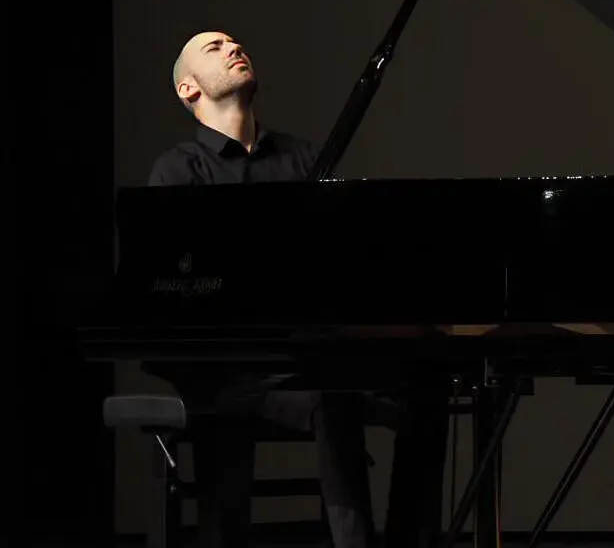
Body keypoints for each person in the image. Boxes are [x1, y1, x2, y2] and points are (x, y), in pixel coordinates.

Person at [146, 31, 448, 548]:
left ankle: (405, 540)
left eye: (236, 43)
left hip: (310, 357)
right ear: (188, 89)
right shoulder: (177, 170)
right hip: (230, 367)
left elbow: (345, 261)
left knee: (428, 386)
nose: (234, 48)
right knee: (333, 395)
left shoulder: (306, 160)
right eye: (214, 48)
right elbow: (175, 284)